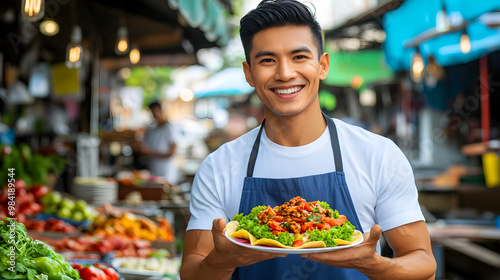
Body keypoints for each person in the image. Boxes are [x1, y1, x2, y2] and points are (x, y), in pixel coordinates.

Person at [180, 0, 436, 279]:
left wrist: (372, 264)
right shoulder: (218, 167)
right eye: (268, 60)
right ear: (249, 73)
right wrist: (220, 262)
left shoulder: (378, 155)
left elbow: (423, 265)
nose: (285, 73)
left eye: (299, 57)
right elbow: (192, 271)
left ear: (322, 65)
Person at [136, 101, 178, 184]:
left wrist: (149, 153)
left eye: (154, 112)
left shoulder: (171, 129)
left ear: (159, 110)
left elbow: (171, 153)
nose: (153, 116)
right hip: (153, 170)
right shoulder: (151, 129)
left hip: (166, 172)